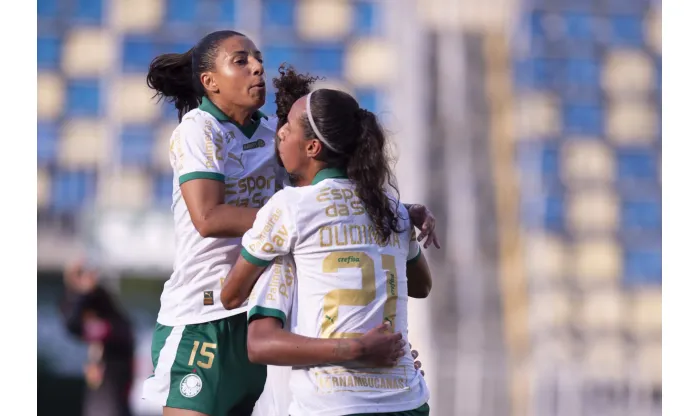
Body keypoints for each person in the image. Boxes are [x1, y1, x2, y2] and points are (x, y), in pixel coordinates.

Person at [142, 30, 439, 416]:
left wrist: (394, 208)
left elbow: (325, 194)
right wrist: (287, 224)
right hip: (207, 314)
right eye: (241, 61)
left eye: (258, 58)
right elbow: (208, 217)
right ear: (209, 83)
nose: (257, 67)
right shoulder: (199, 129)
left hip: (269, 310)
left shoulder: (272, 134)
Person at [221, 85, 433, 415]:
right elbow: (422, 286)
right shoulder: (391, 207)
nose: (280, 133)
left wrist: (357, 347)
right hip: (406, 398)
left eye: (288, 127)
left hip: (335, 403)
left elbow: (230, 297)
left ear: (312, 147)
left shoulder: (288, 210)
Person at [60, 259, 135, 416]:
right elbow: (71, 324)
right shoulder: (74, 303)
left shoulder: (100, 299)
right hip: (101, 367)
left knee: (114, 405)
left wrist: (87, 291)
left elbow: (120, 327)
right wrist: (79, 292)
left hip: (116, 364)